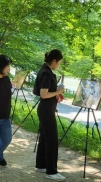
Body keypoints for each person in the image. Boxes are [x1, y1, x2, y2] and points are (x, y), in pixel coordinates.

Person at [33, 49, 66, 181]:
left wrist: (56, 94)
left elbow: (46, 93)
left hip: (45, 108)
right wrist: (58, 90)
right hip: (46, 110)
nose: (58, 65)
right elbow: (43, 94)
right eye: (59, 63)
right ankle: (51, 171)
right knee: (52, 140)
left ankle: (41, 164)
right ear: (54, 61)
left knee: (44, 138)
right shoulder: (46, 73)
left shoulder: (44, 70)